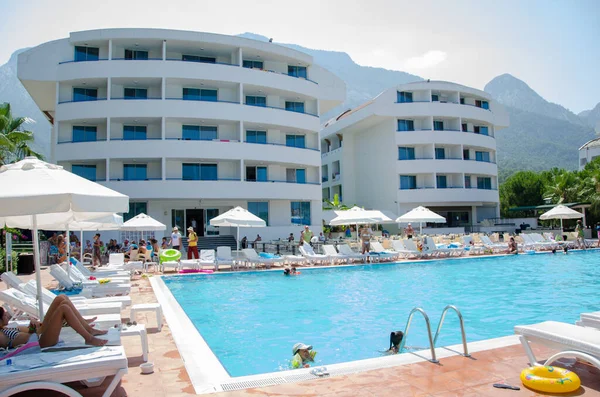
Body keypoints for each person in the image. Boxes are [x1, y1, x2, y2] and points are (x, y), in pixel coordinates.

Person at [0, 295, 108, 349]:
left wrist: (32, 327)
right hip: (39, 342)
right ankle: (89, 338)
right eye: (4, 316)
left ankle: (88, 329)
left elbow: (29, 331)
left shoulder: (7, 328)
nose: (7, 317)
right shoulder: (1, 335)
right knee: (63, 308)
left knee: (61, 298)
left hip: (38, 334)